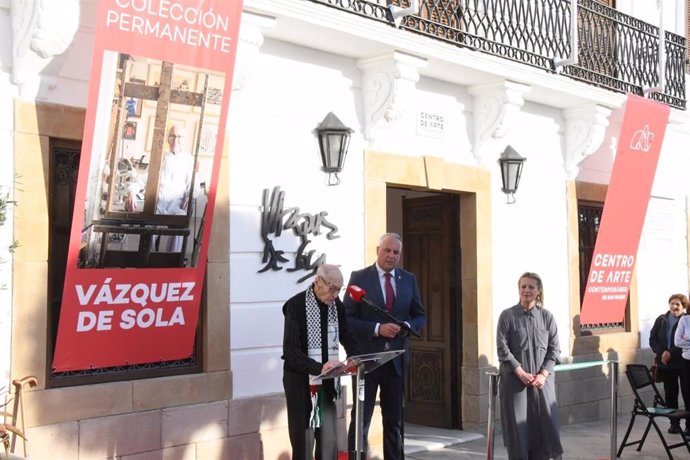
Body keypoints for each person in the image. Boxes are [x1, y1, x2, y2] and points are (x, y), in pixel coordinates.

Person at [345, 232, 426, 460]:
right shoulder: (359, 278)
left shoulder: (408, 279)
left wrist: (406, 325)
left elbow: (419, 315)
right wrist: (377, 328)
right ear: (377, 250)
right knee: (361, 419)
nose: (391, 256)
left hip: (396, 361)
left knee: (395, 420)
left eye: (396, 252)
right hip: (366, 361)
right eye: (387, 250)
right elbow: (347, 319)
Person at [282, 263, 360, 460]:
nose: (335, 294)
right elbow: (290, 350)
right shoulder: (295, 305)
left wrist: (355, 356)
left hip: (326, 382)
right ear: (318, 281)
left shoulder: (336, 306)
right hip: (300, 382)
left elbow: (347, 336)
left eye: (338, 289)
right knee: (304, 442)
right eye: (332, 288)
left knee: (329, 441)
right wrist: (318, 367)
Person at [496, 272, 563, 460]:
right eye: (523, 286)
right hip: (516, 385)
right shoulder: (507, 316)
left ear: (539, 291)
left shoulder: (547, 317)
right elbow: (503, 349)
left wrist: (543, 374)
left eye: (531, 287)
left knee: (545, 431)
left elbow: (554, 349)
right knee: (519, 433)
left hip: (542, 386)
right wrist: (519, 371)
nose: (527, 290)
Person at [125, 123, 202, 252]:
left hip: (177, 207)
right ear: (167, 138)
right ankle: (146, 263)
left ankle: (172, 262)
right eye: (172, 136)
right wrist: (132, 191)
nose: (175, 140)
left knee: (180, 228)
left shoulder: (189, 160)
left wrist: (190, 195)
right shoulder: (160, 158)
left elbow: (195, 186)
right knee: (147, 237)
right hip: (158, 207)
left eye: (179, 137)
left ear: (184, 139)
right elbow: (142, 179)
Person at [650, 293, 688, 434]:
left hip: (684, 363)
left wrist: (671, 352)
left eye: (677, 304)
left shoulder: (687, 320)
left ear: (683, 306)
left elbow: (687, 340)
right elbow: (652, 338)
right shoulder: (661, 320)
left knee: (687, 394)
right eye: (672, 303)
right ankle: (674, 424)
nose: (674, 306)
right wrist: (662, 352)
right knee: (670, 395)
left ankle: (689, 426)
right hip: (666, 364)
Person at [673, 297, 690, 436]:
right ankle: (689, 426)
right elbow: (678, 341)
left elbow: (684, 340)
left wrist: (688, 338)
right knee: (688, 394)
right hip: (687, 362)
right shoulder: (685, 320)